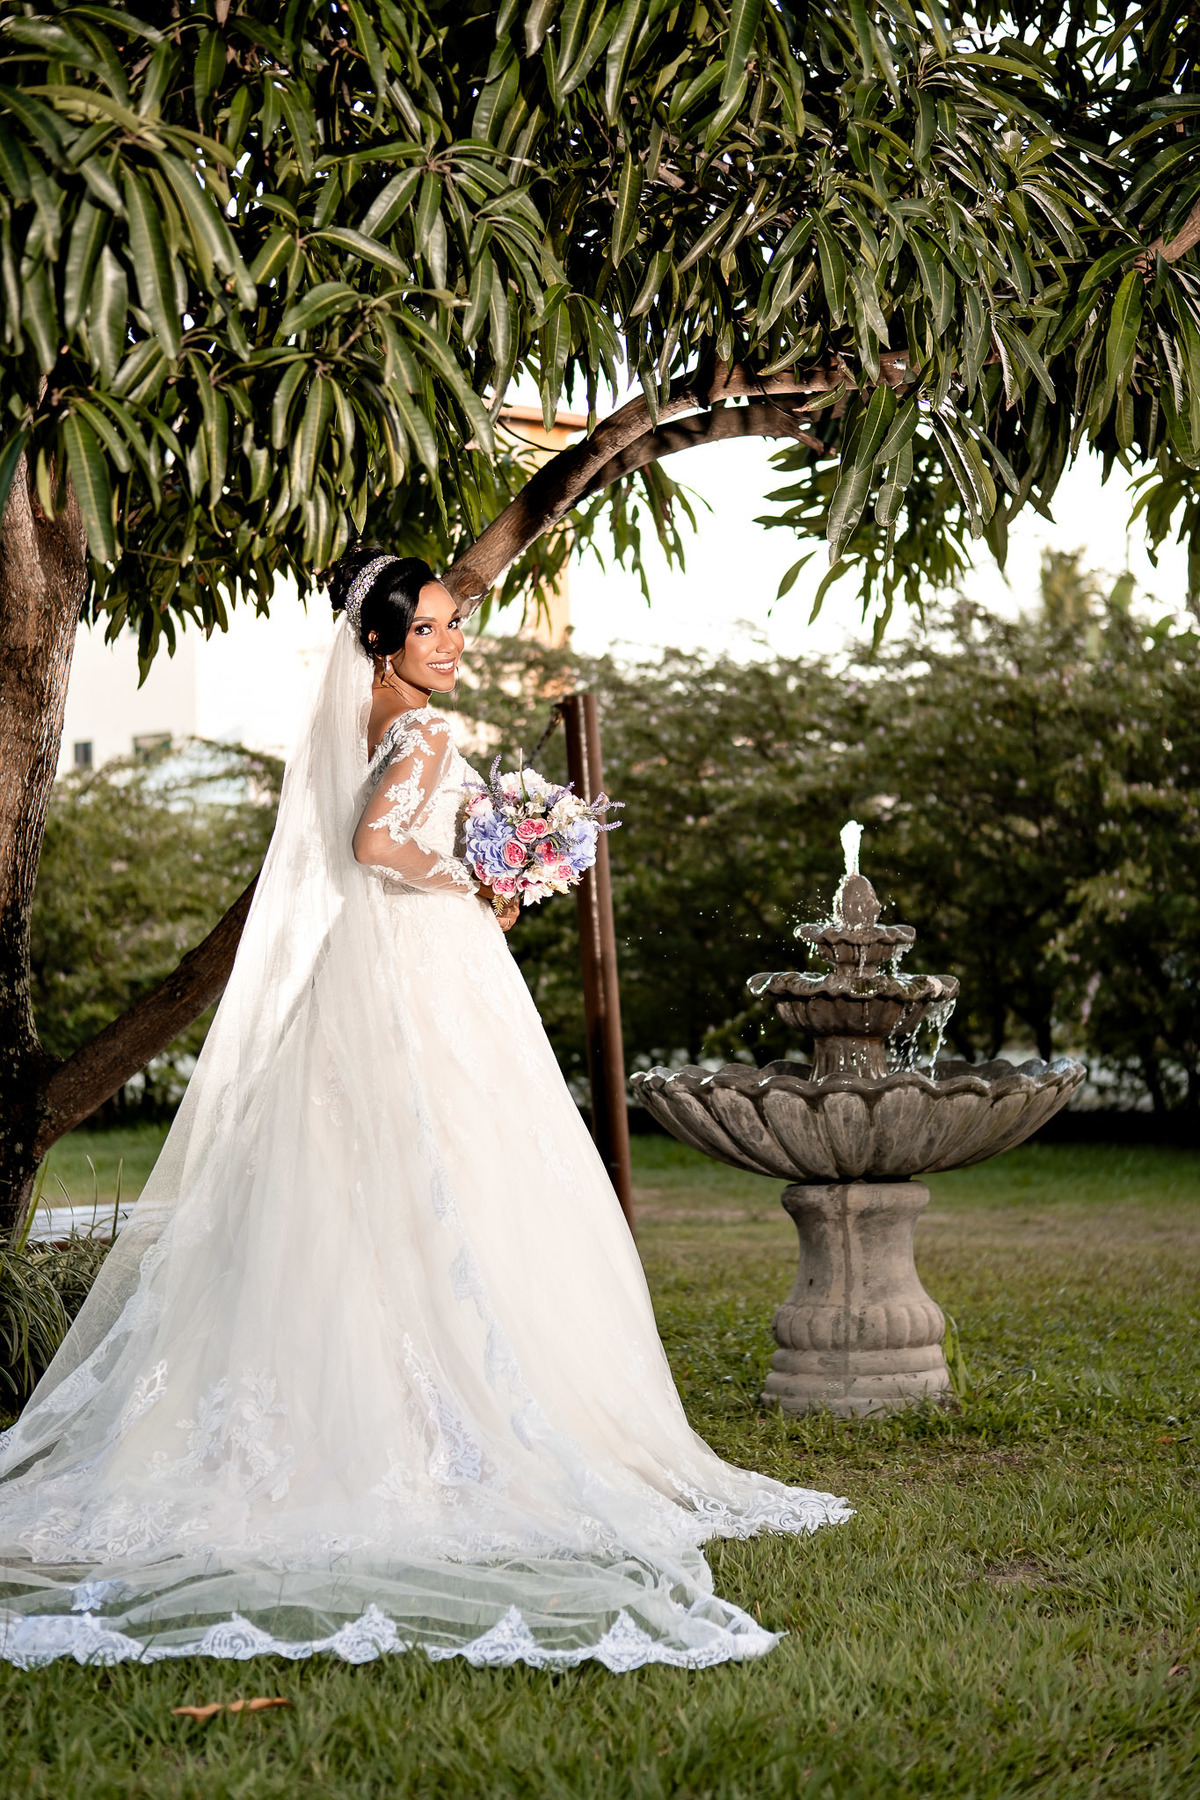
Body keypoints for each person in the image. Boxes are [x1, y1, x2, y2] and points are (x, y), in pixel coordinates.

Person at [0, 550, 849, 1671]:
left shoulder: (359, 721)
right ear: (383, 639)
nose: (453, 643)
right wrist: (484, 880)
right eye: (435, 628)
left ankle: (366, 1410)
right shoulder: (427, 734)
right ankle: (459, 1421)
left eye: (456, 624)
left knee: (355, 1186)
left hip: (364, 971)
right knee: (465, 1175)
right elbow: (378, 847)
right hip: (424, 971)